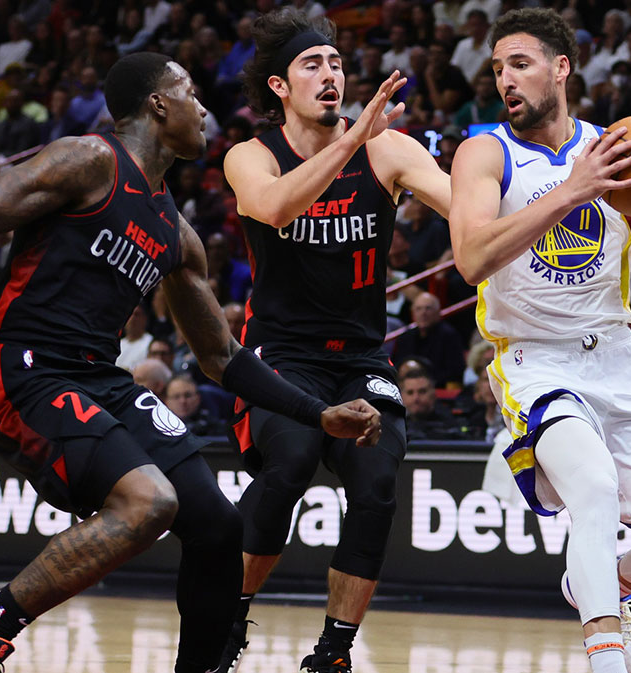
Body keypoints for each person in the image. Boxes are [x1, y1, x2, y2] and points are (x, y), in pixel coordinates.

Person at [0, 53, 381, 673]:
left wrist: (317, 413)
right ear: (159, 104)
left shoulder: (177, 234)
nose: (207, 110)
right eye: (192, 93)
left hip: (98, 378)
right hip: (20, 366)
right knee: (149, 503)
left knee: (218, 526)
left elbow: (222, 358)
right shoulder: (89, 159)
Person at [448, 9, 631, 673]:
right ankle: (603, 655)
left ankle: (600, 583)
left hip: (620, 357)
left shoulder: (620, 147)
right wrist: (573, 190)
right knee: (593, 488)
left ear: (561, 67)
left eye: (520, 63)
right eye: (498, 69)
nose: (506, 79)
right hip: (536, 361)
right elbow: (471, 257)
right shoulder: (486, 152)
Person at [220, 8, 451, 672]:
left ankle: (335, 649)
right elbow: (275, 208)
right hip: (279, 356)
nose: (330, 75)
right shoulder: (250, 156)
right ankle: (229, 615)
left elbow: (462, 206)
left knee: (379, 479)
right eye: (311, 65)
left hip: (359, 358)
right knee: (289, 459)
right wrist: (351, 142)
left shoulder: (389, 148)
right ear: (278, 87)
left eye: (337, 63)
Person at [392, 292, 466, 388]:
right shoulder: (405, 337)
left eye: (428, 308)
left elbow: (455, 371)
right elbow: (397, 366)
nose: (423, 313)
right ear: (413, 313)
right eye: (418, 309)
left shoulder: (449, 335)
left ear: (438, 312)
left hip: (438, 389)